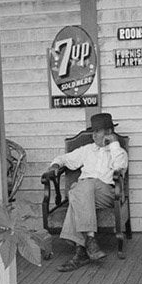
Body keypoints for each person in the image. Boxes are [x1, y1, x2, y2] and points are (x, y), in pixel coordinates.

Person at [42, 112, 128, 272]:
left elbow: (120, 168)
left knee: (79, 188)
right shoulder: (87, 150)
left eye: (98, 131)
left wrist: (114, 145)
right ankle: (86, 245)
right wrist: (55, 165)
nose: (94, 135)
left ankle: (84, 244)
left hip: (106, 194)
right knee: (81, 190)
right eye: (93, 131)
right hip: (86, 195)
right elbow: (63, 159)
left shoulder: (119, 152)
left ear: (109, 132)